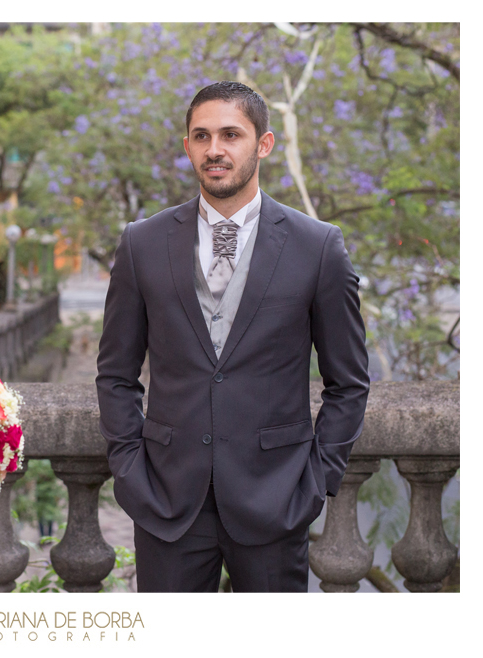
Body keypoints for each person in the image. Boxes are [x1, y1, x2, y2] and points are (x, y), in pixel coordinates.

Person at [96, 81, 369, 592]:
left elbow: (349, 381)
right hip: (167, 501)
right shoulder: (142, 243)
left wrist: (316, 480)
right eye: (201, 136)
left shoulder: (318, 247)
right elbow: (115, 373)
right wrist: (129, 468)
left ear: (263, 144)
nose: (214, 149)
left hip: (276, 500)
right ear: (187, 147)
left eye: (230, 135)